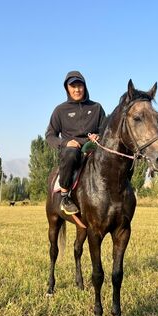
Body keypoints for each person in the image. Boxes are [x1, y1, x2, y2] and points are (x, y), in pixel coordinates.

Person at [46, 71, 106, 215]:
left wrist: (99, 136)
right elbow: (50, 135)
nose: (77, 89)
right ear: (67, 88)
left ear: (85, 87)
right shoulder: (60, 110)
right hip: (71, 152)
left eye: (80, 86)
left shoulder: (96, 108)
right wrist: (65, 143)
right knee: (71, 153)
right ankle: (65, 196)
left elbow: (106, 131)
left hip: (93, 148)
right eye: (73, 86)